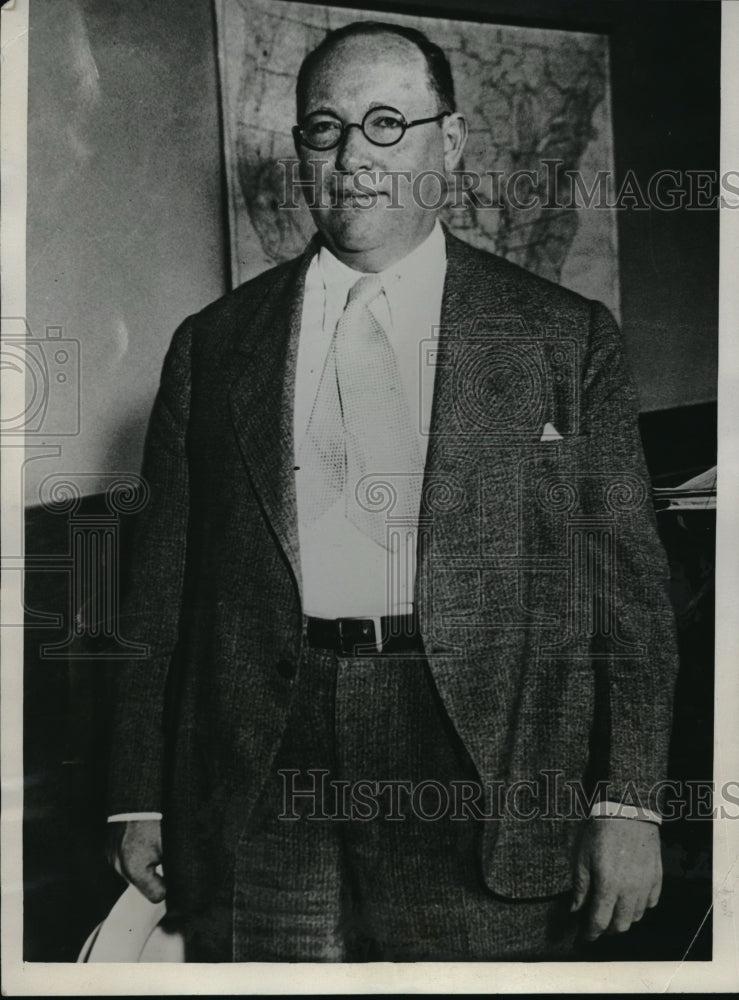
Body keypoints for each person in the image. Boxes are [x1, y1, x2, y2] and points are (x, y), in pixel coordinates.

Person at [106, 21, 679, 962]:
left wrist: (629, 801)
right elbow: (161, 590)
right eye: (324, 129)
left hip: (483, 767)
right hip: (261, 771)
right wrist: (137, 793)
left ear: (447, 142)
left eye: (385, 124)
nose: (352, 158)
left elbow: (628, 594)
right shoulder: (212, 345)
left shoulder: (562, 337)